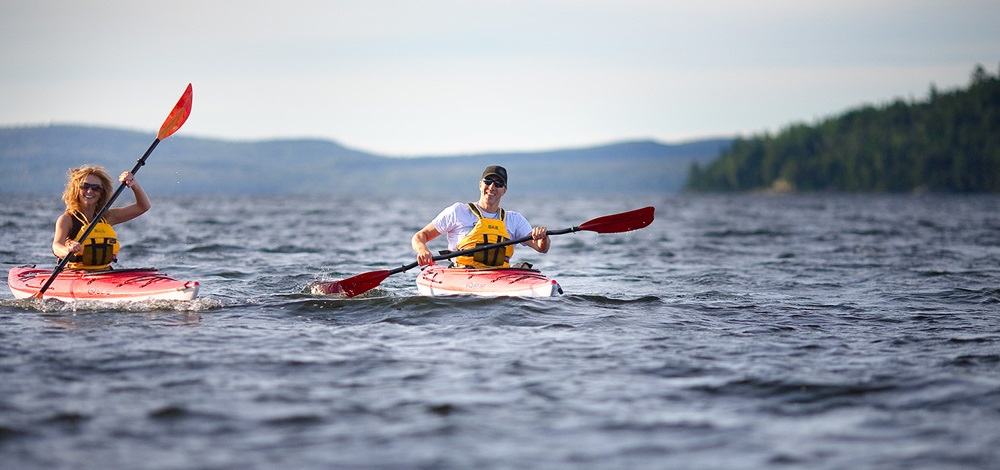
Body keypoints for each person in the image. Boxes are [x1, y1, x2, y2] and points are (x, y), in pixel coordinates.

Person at [412, 165, 549, 268]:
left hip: (500, 275)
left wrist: (543, 237)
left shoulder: (514, 220)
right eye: (488, 181)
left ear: (504, 190)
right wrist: (423, 250)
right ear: (480, 185)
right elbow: (420, 236)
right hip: (462, 273)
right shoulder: (458, 211)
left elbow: (541, 248)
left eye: (498, 184)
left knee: (525, 268)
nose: (492, 187)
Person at [51, 165, 150, 271]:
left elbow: (143, 206)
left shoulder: (107, 217)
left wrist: (133, 184)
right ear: (76, 189)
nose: (90, 191)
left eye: (96, 188)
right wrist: (67, 250)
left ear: (101, 193)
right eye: (85, 186)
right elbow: (56, 246)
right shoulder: (67, 219)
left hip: (104, 273)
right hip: (76, 273)